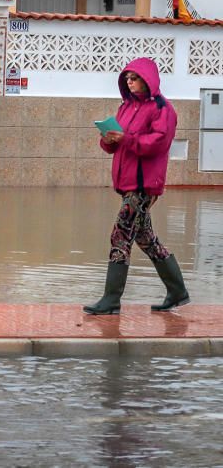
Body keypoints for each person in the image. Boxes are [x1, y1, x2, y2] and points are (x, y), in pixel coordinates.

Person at [84, 57, 191, 315]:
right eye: (127, 79)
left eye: (134, 78)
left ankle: (111, 300)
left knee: (120, 234)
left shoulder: (163, 109)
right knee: (146, 238)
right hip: (128, 182)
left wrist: (126, 139)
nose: (129, 83)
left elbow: (157, 143)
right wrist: (109, 140)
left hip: (144, 186)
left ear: (147, 80)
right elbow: (115, 145)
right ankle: (178, 292)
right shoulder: (126, 107)